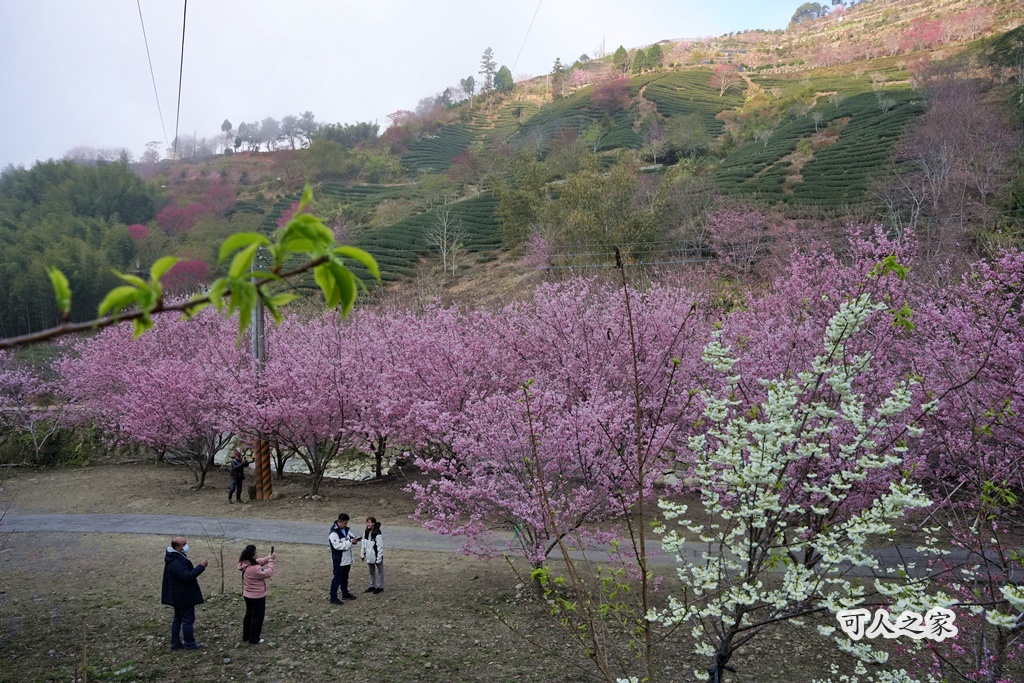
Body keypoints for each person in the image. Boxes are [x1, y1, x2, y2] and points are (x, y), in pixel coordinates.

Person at [161, 536, 209, 651]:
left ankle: (175, 643)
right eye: (184, 544)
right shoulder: (175, 562)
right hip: (183, 596)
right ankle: (190, 644)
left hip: (178, 595)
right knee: (188, 620)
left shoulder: (174, 556)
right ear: (177, 547)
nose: (186, 546)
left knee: (178, 619)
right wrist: (201, 567)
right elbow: (187, 576)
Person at [237, 544, 275, 645]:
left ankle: (246, 635)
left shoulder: (244, 563)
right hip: (257, 597)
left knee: (249, 615)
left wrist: (268, 557)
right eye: (256, 552)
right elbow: (268, 573)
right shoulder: (254, 569)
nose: (257, 553)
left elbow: (259, 561)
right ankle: (254, 639)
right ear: (253, 555)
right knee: (258, 617)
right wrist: (271, 561)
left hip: (247, 595)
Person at [328, 513, 357, 603]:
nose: (346, 525)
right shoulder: (333, 533)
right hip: (339, 560)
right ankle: (333, 597)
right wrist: (350, 542)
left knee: (345, 577)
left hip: (347, 559)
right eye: (344, 523)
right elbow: (338, 546)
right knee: (337, 578)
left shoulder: (346, 530)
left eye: (346, 523)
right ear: (339, 522)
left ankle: (345, 593)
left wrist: (355, 540)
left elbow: (352, 536)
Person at [360, 516, 385, 594]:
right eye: (367, 522)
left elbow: (380, 546)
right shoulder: (366, 532)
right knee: (371, 572)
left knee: (380, 571)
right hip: (369, 555)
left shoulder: (377, 533)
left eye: (370, 522)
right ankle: (372, 585)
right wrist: (362, 554)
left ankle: (380, 587)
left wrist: (379, 558)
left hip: (376, 555)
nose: (368, 524)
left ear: (373, 523)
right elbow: (363, 544)